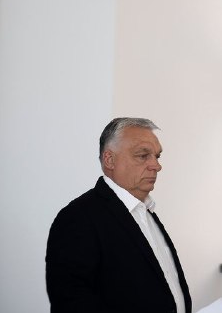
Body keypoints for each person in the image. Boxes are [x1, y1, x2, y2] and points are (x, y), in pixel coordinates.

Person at [46, 118, 191, 313]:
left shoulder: (146, 212)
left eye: (157, 156)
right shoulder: (78, 218)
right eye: (143, 156)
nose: (156, 166)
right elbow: (72, 303)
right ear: (109, 160)